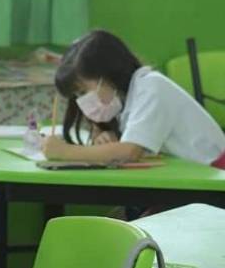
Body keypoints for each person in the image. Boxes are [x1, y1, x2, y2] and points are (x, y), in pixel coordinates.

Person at [42, 29, 225, 169]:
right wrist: (107, 139)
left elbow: (129, 152)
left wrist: (65, 152)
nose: (82, 102)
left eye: (83, 91)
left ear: (108, 74)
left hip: (214, 179)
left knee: (122, 218)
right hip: (193, 178)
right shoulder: (129, 101)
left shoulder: (151, 87)